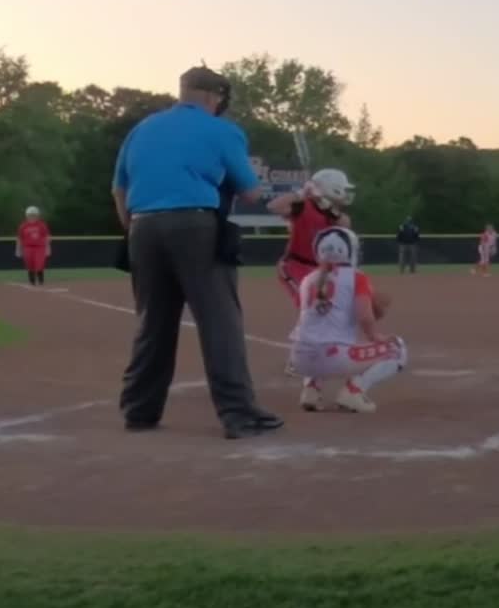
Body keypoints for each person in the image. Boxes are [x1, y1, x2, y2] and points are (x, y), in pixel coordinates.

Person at [111, 65, 283, 440]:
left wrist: (135, 229)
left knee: (152, 323)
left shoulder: (142, 129)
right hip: (195, 226)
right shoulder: (222, 130)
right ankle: (238, 414)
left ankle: (139, 411)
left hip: (142, 226)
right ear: (213, 96)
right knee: (219, 321)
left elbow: (119, 190)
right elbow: (251, 191)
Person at [288, 226, 408, 414]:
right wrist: (375, 335)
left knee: (318, 338)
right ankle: (353, 392)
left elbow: (320, 313)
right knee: (397, 349)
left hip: (299, 358)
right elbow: (364, 317)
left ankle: (311, 390)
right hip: (333, 357)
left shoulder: (308, 279)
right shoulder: (356, 277)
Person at [267, 168, 354, 307]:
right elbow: (273, 207)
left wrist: (323, 202)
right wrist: (301, 193)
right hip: (295, 266)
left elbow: (345, 224)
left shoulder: (334, 213)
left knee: (332, 306)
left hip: (322, 269)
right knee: (309, 303)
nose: (345, 194)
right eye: (342, 189)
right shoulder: (303, 206)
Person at [16, 206, 52, 286]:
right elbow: (19, 239)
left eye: (34, 215)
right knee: (29, 264)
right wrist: (18, 250)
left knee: (39, 263)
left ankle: (41, 280)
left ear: (37, 216)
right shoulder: (23, 226)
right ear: (27, 216)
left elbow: (47, 237)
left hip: (40, 247)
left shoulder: (42, 225)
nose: (32, 217)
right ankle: (32, 281)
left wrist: (48, 248)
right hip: (27, 247)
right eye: (30, 215)